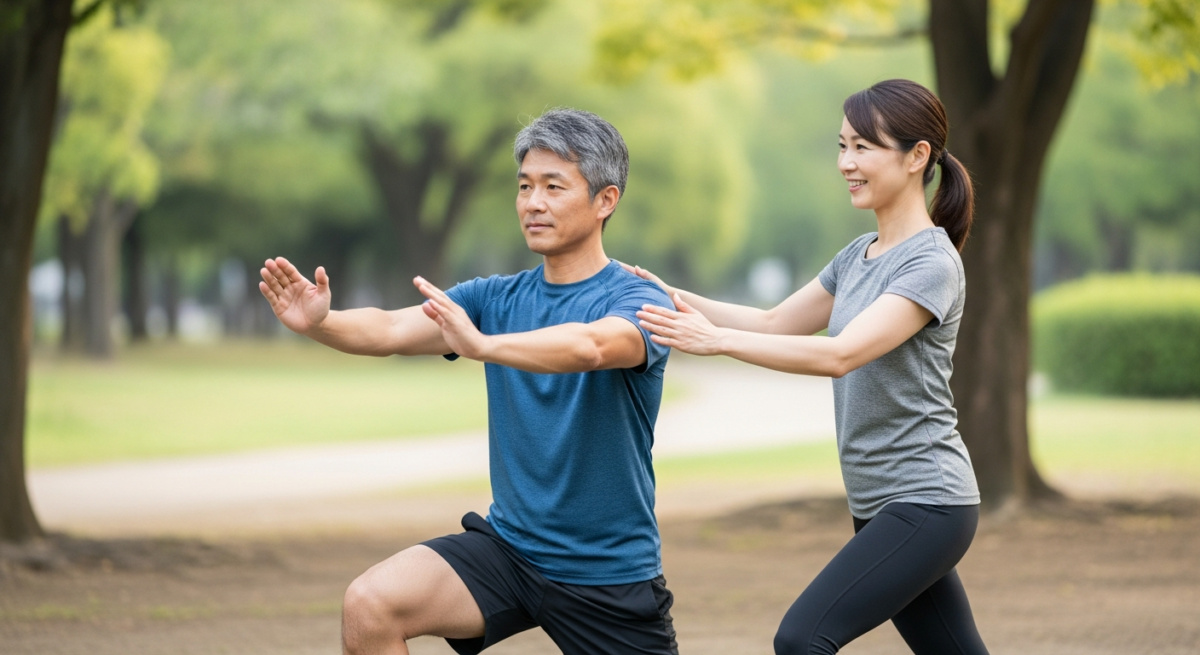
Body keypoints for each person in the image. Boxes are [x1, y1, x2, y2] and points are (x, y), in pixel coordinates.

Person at [258, 109, 678, 655]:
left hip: (607, 573)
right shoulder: (495, 298)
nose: (533, 203)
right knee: (370, 604)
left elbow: (590, 347)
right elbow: (389, 328)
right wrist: (323, 324)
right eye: (525, 186)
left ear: (606, 201)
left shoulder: (640, 300)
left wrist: (482, 346)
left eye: (554, 187)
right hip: (510, 551)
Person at [629, 79, 989, 654]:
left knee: (801, 639)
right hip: (878, 504)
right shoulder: (857, 256)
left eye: (863, 148)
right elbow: (774, 323)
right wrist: (669, 294)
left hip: (927, 500)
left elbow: (841, 354)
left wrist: (715, 342)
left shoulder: (931, 263)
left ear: (918, 156)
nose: (846, 162)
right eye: (842, 146)